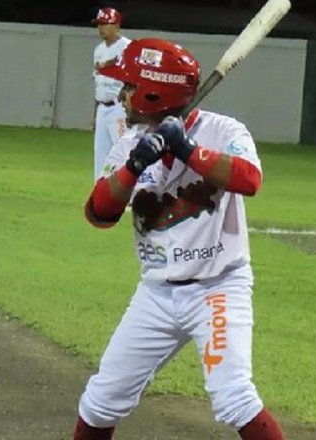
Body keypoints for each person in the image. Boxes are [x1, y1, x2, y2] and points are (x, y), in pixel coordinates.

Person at [73, 38, 285, 440]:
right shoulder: (129, 144)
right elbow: (99, 213)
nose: (123, 94)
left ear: (155, 94)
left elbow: (249, 180)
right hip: (156, 294)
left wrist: (187, 149)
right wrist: (136, 164)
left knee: (235, 397)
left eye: (131, 86)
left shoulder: (223, 131)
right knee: (101, 402)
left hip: (218, 288)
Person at [91, 7, 131, 181]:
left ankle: (126, 191)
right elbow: (98, 83)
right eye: (99, 24)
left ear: (116, 25)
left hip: (118, 108)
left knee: (123, 150)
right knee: (100, 152)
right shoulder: (98, 50)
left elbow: (132, 82)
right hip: (102, 107)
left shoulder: (127, 47)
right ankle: (99, 192)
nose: (101, 28)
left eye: (105, 24)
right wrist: (95, 113)